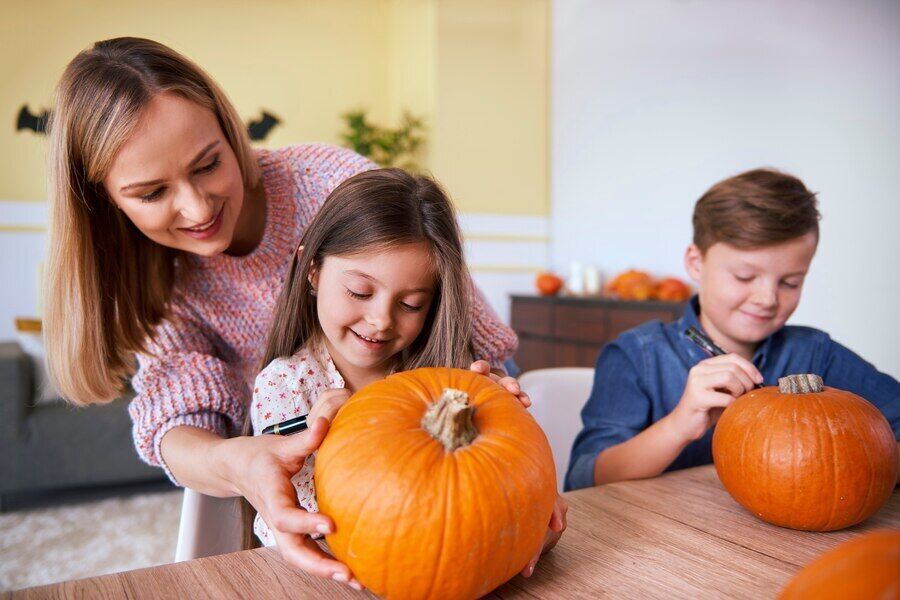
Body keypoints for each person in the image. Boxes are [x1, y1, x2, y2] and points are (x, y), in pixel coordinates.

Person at [43, 37, 519, 586]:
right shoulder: (147, 274)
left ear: (229, 130)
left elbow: (475, 345)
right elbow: (178, 424)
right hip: (293, 507)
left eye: (208, 164)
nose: (197, 208)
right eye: (151, 193)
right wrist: (240, 461)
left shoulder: (329, 185)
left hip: (429, 491)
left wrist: (511, 481)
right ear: (105, 201)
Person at [248, 168, 566, 587]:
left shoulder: (455, 378)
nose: (381, 321)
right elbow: (296, 528)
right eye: (360, 292)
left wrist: (528, 503)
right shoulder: (287, 386)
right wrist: (333, 437)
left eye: (412, 304)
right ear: (312, 271)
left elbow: (492, 513)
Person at [566, 168, 900, 490]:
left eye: (790, 282)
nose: (767, 298)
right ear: (696, 263)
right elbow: (584, 479)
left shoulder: (815, 353)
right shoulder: (636, 357)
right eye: (744, 277)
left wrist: (838, 464)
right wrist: (679, 425)